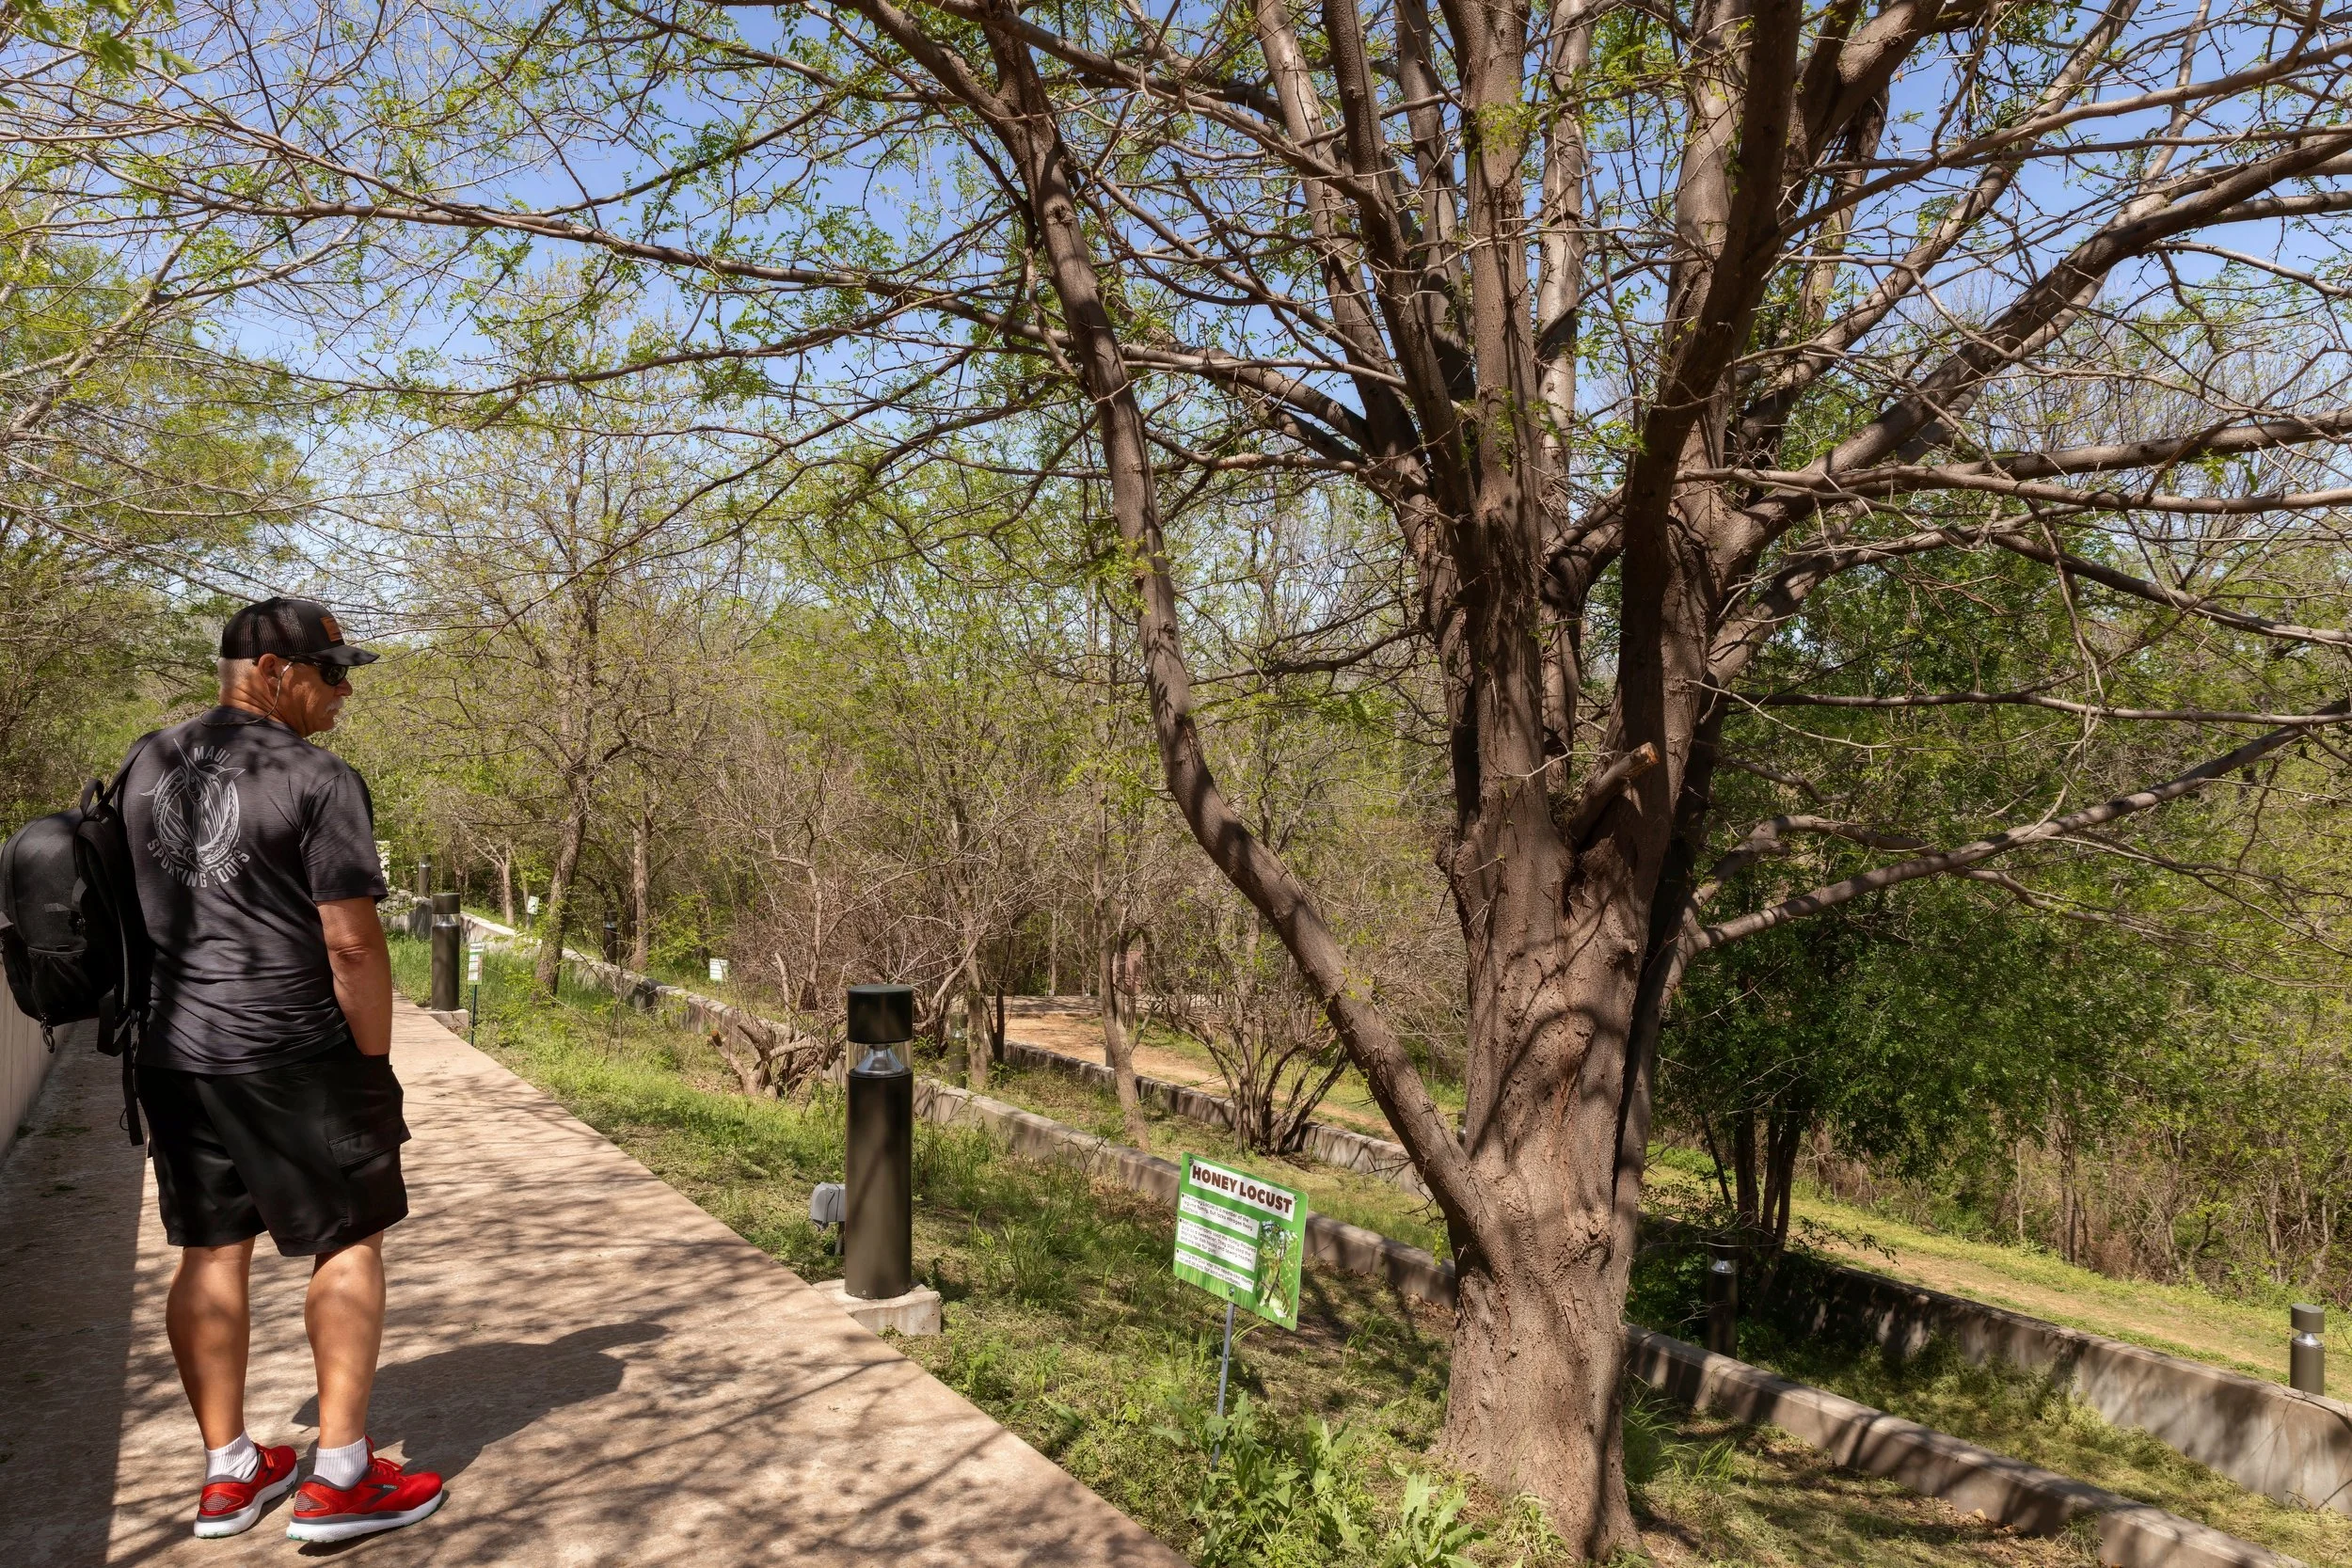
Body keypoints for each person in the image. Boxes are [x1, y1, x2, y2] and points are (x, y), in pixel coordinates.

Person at [120, 596, 446, 1543]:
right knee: (349, 1236)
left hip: (174, 1051)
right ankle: (341, 1476)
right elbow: (350, 942)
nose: (345, 691)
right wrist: (372, 1064)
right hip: (292, 1049)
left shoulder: (147, 761)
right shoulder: (317, 776)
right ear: (271, 668)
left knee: (209, 1249)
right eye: (331, 671)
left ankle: (230, 1471)